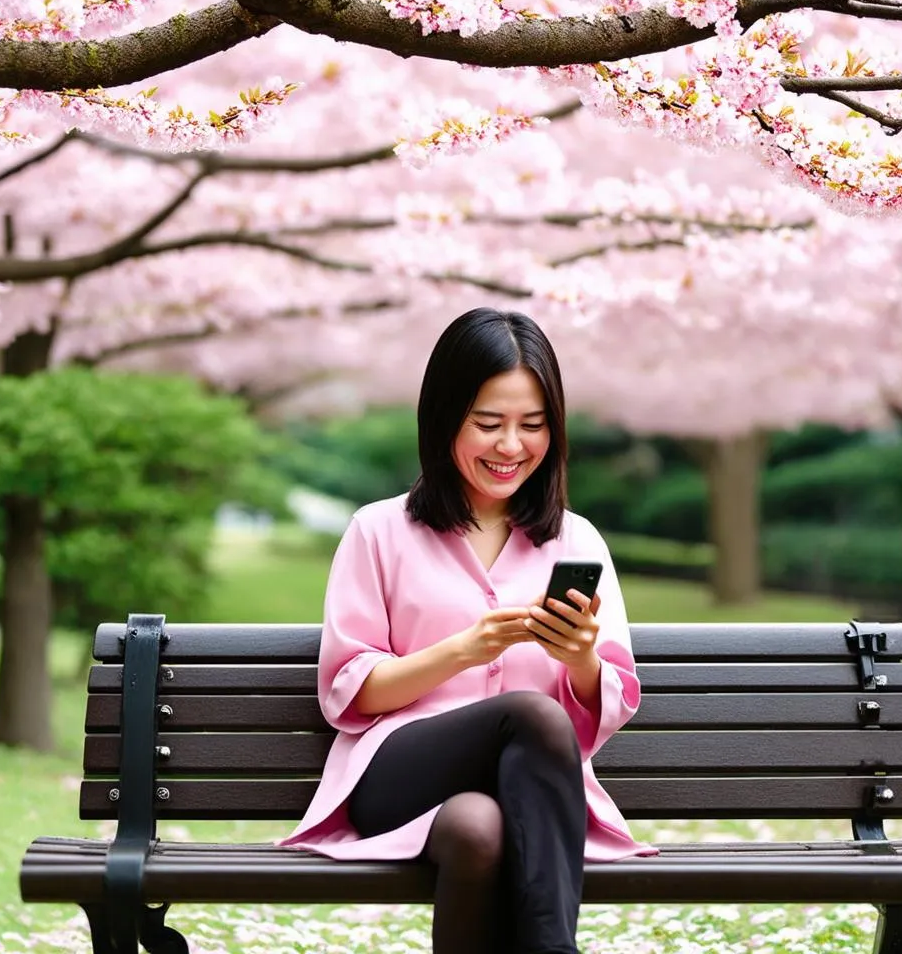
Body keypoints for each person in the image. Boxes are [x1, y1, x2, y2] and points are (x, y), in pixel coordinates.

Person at [279, 307, 657, 954]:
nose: (511, 446)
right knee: (533, 716)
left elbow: (606, 703)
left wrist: (581, 660)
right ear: (444, 417)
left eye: (532, 425)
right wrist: (463, 650)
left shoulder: (576, 539)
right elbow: (347, 691)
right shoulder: (379, 531)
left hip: (532, 798)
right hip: (398, 773)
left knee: (479, 829)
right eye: (488, 424)